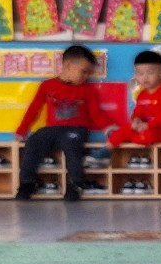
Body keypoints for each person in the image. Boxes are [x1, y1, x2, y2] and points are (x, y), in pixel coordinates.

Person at [14, 44, 110, 202]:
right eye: (84, 71)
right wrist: (22, 129)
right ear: (68, 66)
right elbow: (34, 109)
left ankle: (75, 184)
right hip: (52, 129)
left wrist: (109, 129)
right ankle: (27, 183)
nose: (86, 76)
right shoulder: (47, 86)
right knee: (33, 141)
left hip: (76, 129)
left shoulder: (88, 90)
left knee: (72, 145)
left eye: (89, 73)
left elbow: (96, 114)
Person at [107, 49, 161, 148]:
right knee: (125, 129)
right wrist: (136, 121)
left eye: (150, 73)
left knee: (148, 135)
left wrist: (147, 126)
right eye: (140, 73)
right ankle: (106, 149)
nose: (145, 77)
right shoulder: (142, 94)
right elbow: (138, 113)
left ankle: (133, 138)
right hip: (146, 129)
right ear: (135, 75)